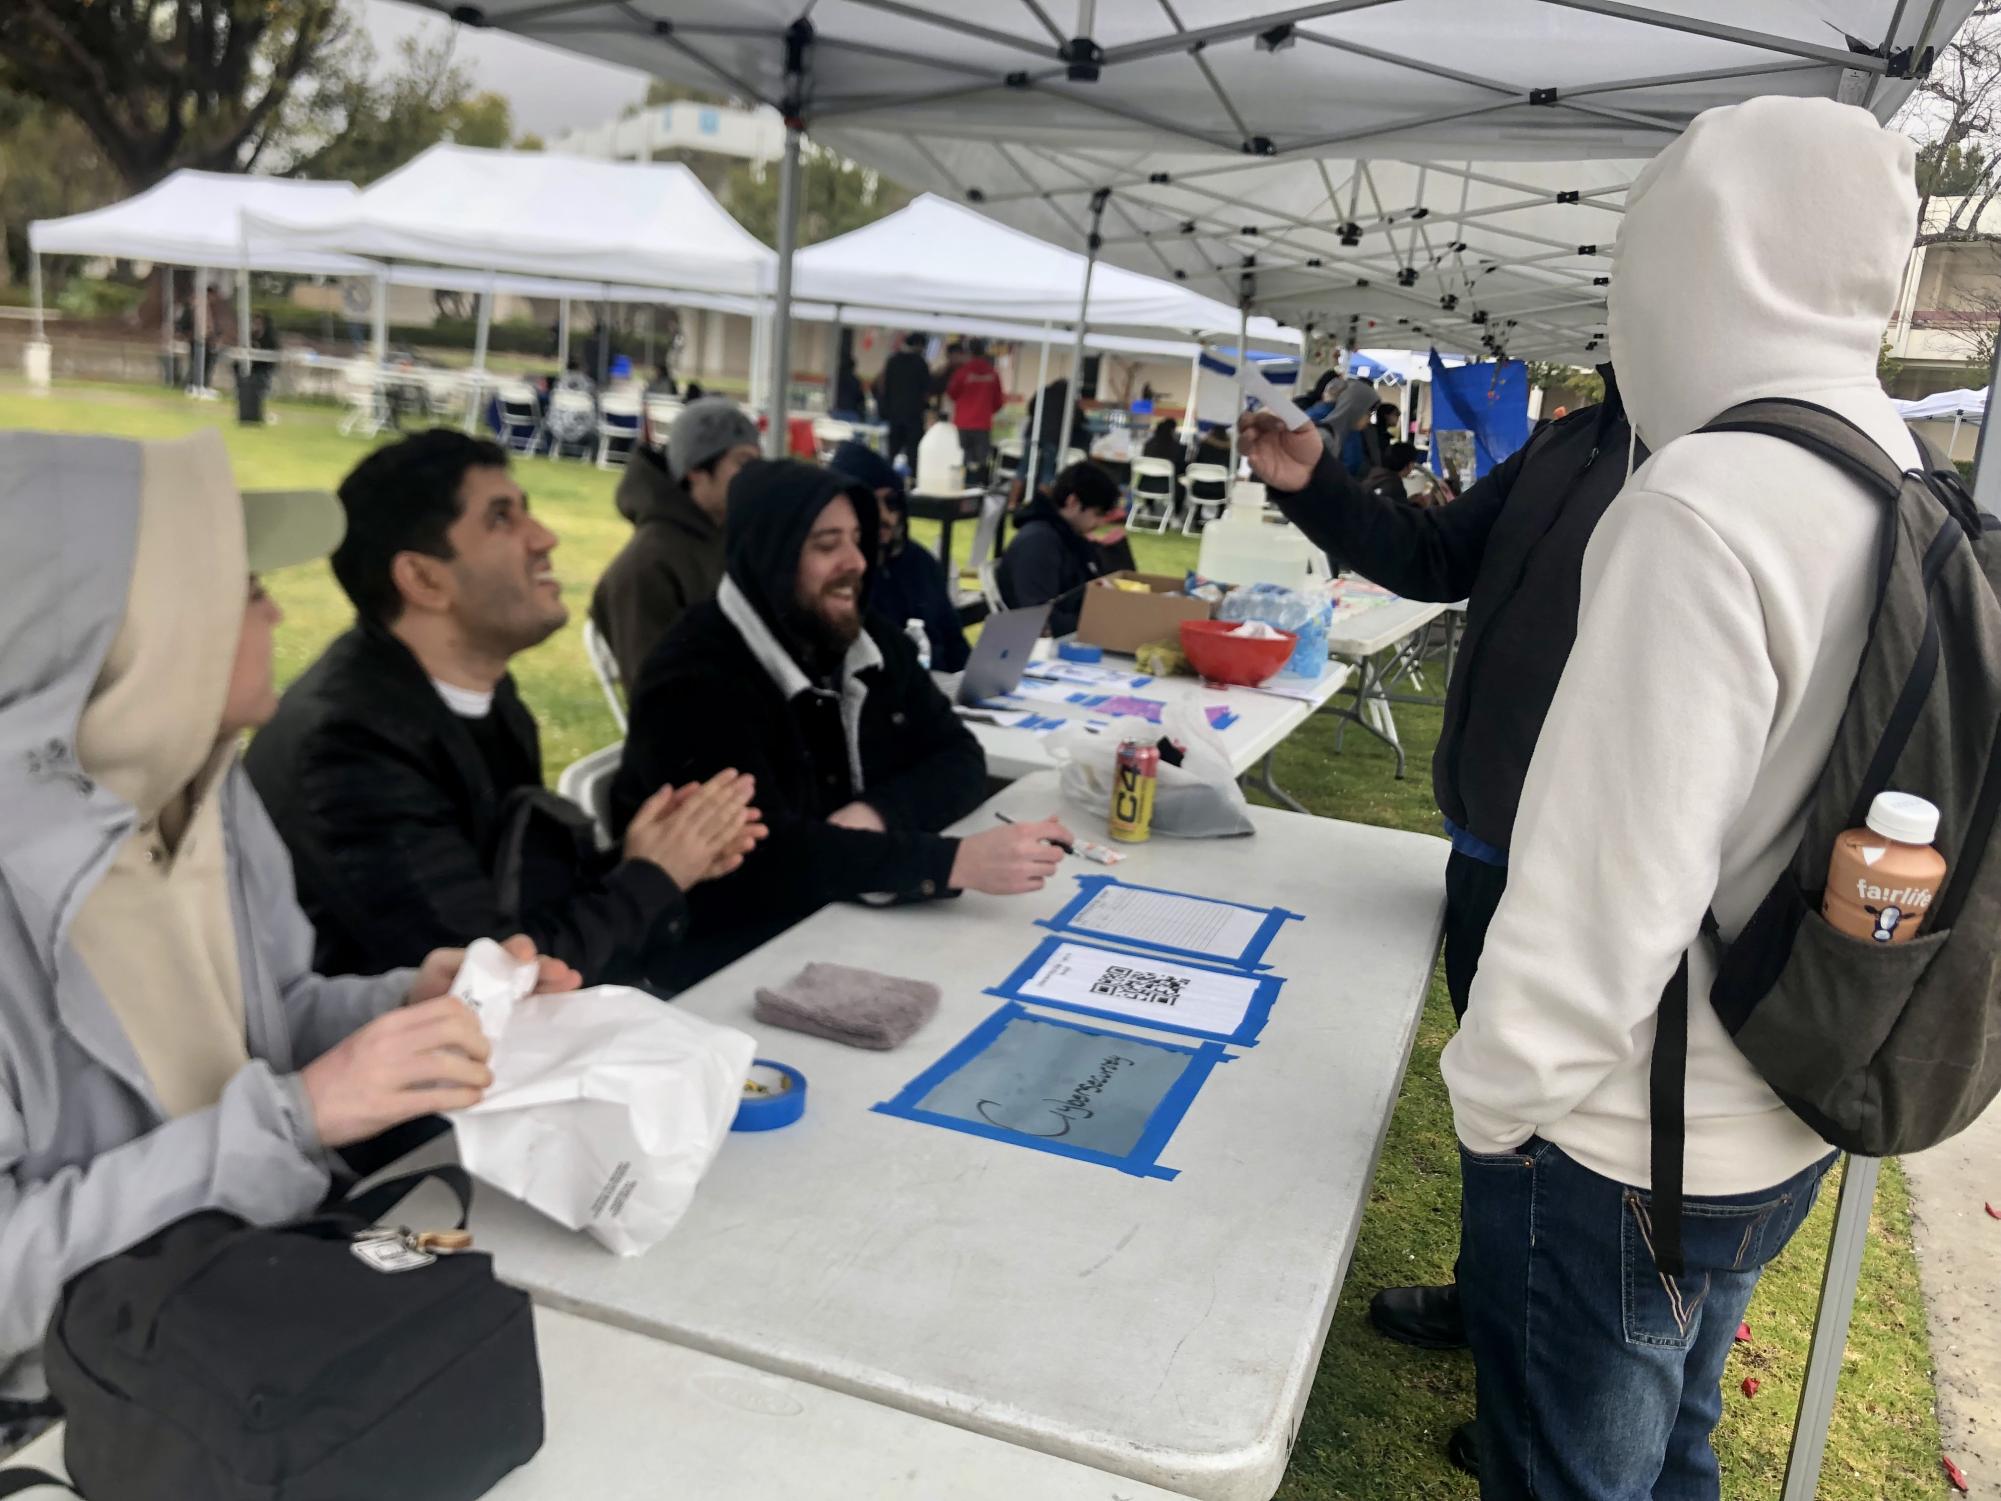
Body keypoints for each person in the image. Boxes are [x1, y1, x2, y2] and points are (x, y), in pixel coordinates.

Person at [1267, 95, 1920, 1498]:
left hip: (1631, 1128)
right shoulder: (1897, 478)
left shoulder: (1705, 499)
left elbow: (1610, 893)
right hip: (1781, 1093)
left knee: (1576, 1467)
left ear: (1692, 257)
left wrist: (1496, 1105)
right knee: (1672, 1440)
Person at [0, 427, 584, 1413]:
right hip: (84, 1416)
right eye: (242, 589)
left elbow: (269, 1016)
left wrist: (406, 1002)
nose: (277, 611)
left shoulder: (206, 793)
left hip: (257, 1311)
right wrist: (297, 1116)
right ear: (140, 632)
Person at [247, 430, 763, 987]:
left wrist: (643, 859)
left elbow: (513, 903)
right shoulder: (350, 747)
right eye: (501, 519)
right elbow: (490, 979)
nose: (545, 537)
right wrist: (652, 877)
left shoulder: (480, 694)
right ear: (423, 578)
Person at [613, 459, 1072, 988]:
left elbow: (960, 758)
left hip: (850, 921)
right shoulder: (694, 681)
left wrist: (874, 814)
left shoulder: (864, 638)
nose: (856, 561)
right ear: (771, 557)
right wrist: (952, 862)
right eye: (827, 545)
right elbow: (759, 864)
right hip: (727, 962)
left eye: (858, 539)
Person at [591, 397, 761, 686]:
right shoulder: (645, 567)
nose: (756, 477)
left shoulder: (733, 543)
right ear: (696, 471)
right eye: (743, 463)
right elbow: (660, 700)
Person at [829, 438, 970, 672]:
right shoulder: (840, 574)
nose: (885, 516)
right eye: (871, 503)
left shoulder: (921, 564)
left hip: (940, 691)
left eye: (892, 502)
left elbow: (957, 646)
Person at [996, 460, 1123, 638]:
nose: (1101, 523)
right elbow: (1039, 618)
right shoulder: (1038, 543)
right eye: (1098, 514)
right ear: (1073, 502)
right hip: (1042, 646)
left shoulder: (1069, 536)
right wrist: (1099, 624)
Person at [945, 338, 1005, 481]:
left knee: (961, 460)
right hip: (982, 425)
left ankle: (960, 489)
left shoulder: (962, 372)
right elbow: (999, 402)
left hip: (962, 424)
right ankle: (978, 490)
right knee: (982, 464)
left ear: (969, 352)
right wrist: (985, 411)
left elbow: (952, 393)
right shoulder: (993, 374)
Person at [877, 331, 932, 473]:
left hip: (894, 415)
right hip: (913, 416)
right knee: (913, 455)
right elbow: (927, 390)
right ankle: (911, 483)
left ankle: (886, 480)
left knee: (891, 454)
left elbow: (884, 387)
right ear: (919, 345)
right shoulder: (921, 363)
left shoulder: (892, 361)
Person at [1359, 440, 1423, 506]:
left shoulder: (1374, 473)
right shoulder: (1396, 488)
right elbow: (1401, 513)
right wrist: (1420, 504)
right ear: (1409, 465)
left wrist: (1408, 501)